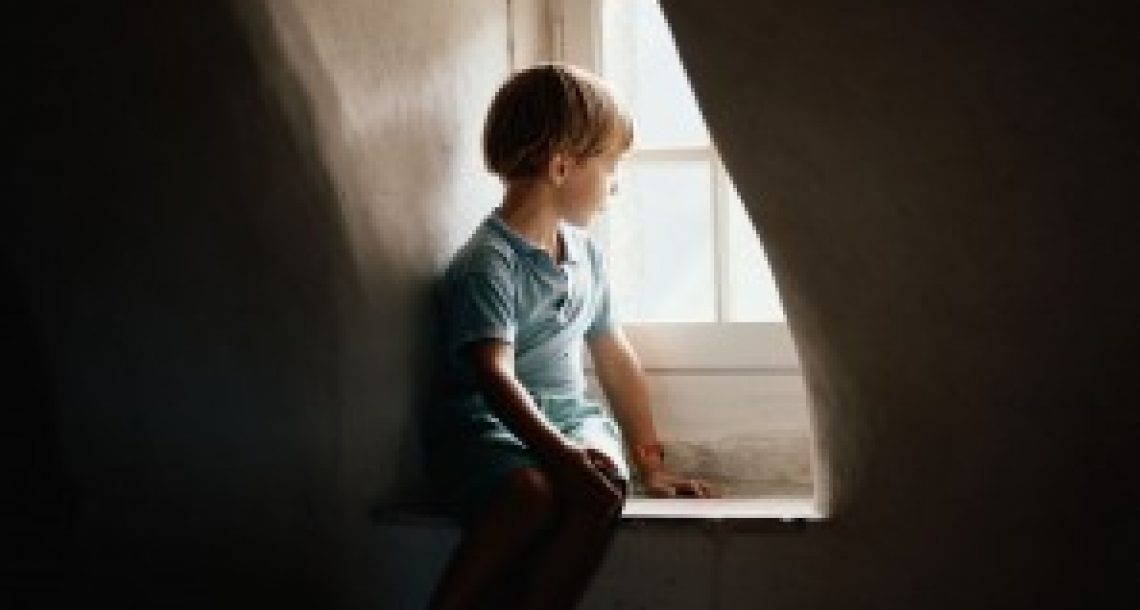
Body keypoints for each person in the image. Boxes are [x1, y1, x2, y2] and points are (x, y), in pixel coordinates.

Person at [423, 62, 718, 610]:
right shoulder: (489, 264)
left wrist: (650, 463)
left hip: (567, 416)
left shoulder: (586, 256)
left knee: (603, 487)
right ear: (561, 167)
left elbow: (614, 356)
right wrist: (560, 458)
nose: (615, 183)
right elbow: (492, 376)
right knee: (529, 494)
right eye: (609, 166)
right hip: (485, 424)